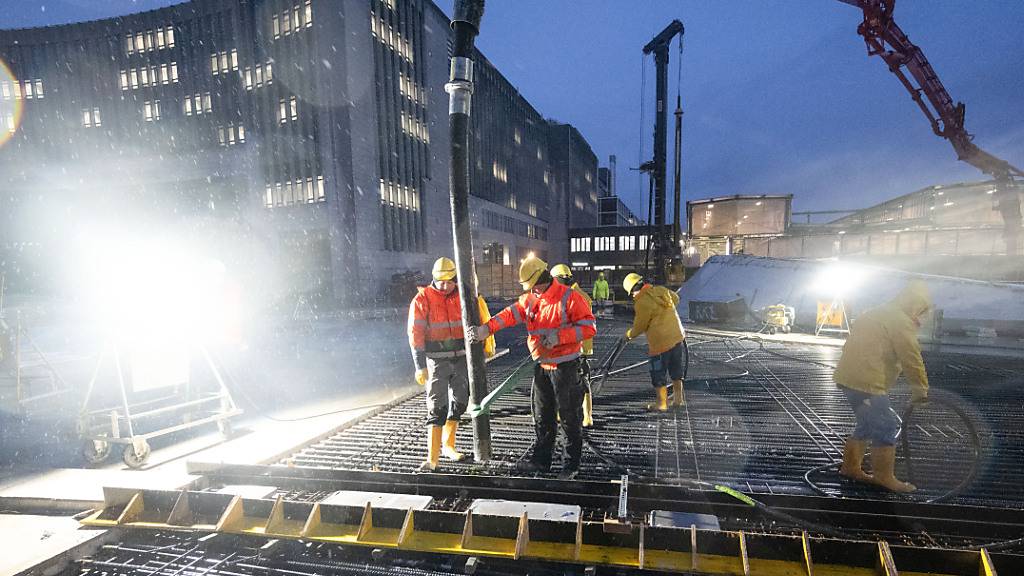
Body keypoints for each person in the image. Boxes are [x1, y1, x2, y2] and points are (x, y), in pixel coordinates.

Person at [471, 256, 596, 479]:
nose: (533, 291)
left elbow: (589, 327)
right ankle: (541, 462)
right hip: (541, 365)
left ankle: (570, 466)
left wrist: (560, 337)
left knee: (569, 418)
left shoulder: (570, 298)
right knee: (543, 416)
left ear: (543, 278)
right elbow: (509, 315)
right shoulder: (530, 299)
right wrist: (486, 330)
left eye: (534, 286)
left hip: (566, 367)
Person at [833, 280, 931, 493]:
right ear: (915, 305)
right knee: (886, 426)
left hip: (850, 377)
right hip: (867, 382)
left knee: (867, 423)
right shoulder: (900, 321)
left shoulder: (878, 312)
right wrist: (920, 389)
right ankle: (884, 477)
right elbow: (911, 358)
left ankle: (850, 467)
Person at [408, 257, 493, 471]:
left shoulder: (464, 297)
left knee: (460, 401)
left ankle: (448, 445)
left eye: (449, 281)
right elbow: (415, 333)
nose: (444, 286)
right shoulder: (423, 298)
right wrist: (420, 365)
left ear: (455, 278)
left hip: (462, 358)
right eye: (440, 282)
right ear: (433, 279)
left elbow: (480, 319)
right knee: (437, 406)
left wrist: (484, 347)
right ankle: (432, 458)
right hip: (436, 361)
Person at [622, 272, 685, 411]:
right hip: (676, 337)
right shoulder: (661, 290)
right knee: (676, 370)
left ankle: (662, 404)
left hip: (660, 343)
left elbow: (640, 326)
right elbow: (676, 298)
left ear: (634, 289)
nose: (632, 296)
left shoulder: (642, 302)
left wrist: (628, 335)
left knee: (658, 372)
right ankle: (678, 399)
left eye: (631, 293)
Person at [551, 264, 595, 427]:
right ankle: (586, 416)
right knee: (580, 381)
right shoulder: (578, 294)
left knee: (567, 381)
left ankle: (581, 415)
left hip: (573, 348)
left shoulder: (571, 297)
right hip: (579, 348)